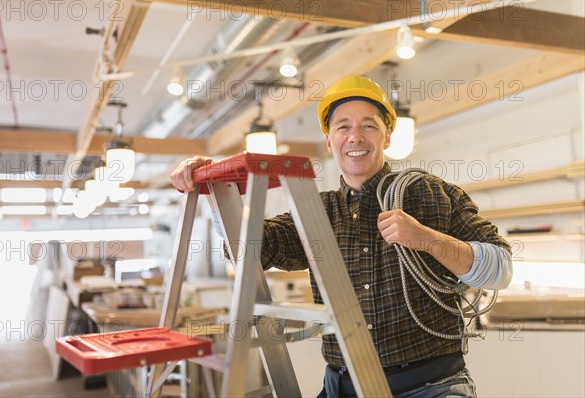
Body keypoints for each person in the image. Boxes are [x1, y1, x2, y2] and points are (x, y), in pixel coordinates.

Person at [170, 75, 512, 398]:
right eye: (343, 127)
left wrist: (425, 239)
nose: (355, 137)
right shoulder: (317, 211)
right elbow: (253, 250)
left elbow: (500, 269)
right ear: (329, 140)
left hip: (430, 386)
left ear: (387, 136)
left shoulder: (430, 194)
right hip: (346, 386)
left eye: (369, 126)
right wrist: (215, 192)